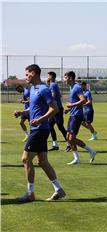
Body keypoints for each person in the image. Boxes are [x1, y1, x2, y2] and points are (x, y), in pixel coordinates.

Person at [13, 64, 66, 203]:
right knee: (42, 161)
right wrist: (22, 112)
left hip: (39, 129)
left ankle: (30, 194)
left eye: (27, 74)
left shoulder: (44, 89)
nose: (26, 77)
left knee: (25, 159)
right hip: (38, 129)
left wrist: (40, 119)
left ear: (34, 73)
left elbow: (54, 109)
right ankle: (58, 189)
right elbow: (34, 106)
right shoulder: (33, 89)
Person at [64, 71, 97, 164]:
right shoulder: (72, 87)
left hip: (77, 116)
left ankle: (91, 151)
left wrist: (71, 105)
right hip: (72, 114)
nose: (64, 79)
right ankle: (76, 158)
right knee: (68, 137)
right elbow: (77, 102)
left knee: (71, 139)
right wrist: (69, 109)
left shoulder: (77, 87)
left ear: (70, 78)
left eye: (65, 77)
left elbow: (83, 100)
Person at [47, 71, 71, 151]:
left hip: (57, 109)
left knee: (60, 127)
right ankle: (55, 145)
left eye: (48, 76)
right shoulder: (52, 84)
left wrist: (47, 101)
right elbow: (58, 95)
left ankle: (69, 144)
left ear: (51, 76)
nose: (47, 77)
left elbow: (53, 95)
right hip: (54, 109)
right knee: (50, 125)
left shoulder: (53, 84)